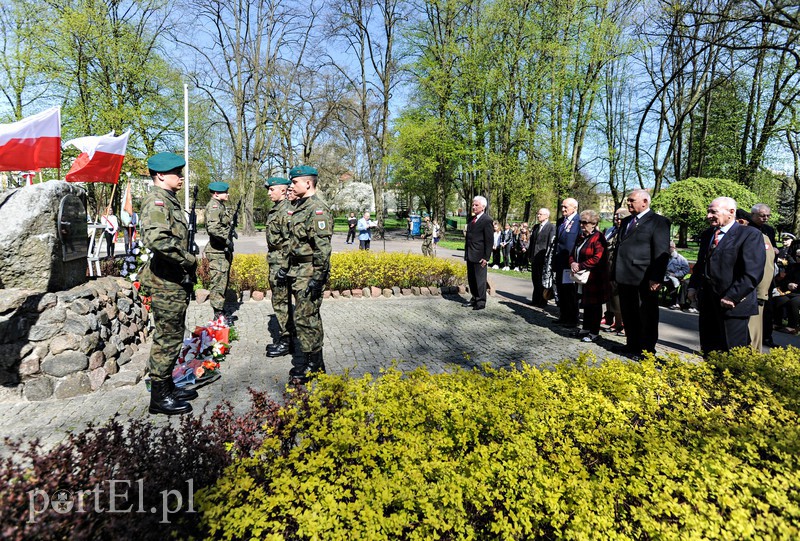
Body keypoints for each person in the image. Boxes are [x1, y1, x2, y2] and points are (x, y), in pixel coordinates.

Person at [139, 152, 198, 415]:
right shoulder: (157, 202)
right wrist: (188, 259)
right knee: (167, 338)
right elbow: (158, 241)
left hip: (173, 281)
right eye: (177, 172)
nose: (181, 177)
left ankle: (168, 385)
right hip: (166, 282)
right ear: (161, 175)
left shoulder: (169, 201)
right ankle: (159, 398)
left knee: (173, 335)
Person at [687, 197, 765, 356]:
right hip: (708, 302)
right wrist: (693, 286)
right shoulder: (708, 234)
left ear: (731, 212)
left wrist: (733, 296)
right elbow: (701, 264)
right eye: (708, 211)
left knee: (733, 352)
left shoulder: (750, 234)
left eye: (713, 212)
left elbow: (752, 272)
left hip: (733, 304)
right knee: (710, 349)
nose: (708, 215)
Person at [282, 165, 332, 382]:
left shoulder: (317, 209)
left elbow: (323, 248)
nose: (291, 186)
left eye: (294, 182)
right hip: (299, 270)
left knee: (305, 318)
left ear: (308, 183)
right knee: (306, 317)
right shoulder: (302, 206)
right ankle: (315, 361)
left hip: (309, 271)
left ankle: (313, 365)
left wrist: (318, 277)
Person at [612, 189, 670, 358]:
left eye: (632, 200)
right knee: (628, 313)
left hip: (644, 278)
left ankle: (647, 350)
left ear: (644, 202)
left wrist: (656, 277)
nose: (628, 203)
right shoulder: (627, 221)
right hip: (624, 276)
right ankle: (632, 345)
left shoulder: (658, 222)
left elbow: (661, 252)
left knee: (646, 315)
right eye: (628, 201)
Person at [568, 210, 611, 343]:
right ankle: (585, 328)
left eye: (585, 222)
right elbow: (572, 253)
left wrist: (580, 266)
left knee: (595, 305)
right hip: (582, 277)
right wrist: (573, 263)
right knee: (585, 303)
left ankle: (594, 332)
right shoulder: (581, 237)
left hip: (595, 277)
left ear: (594, 223)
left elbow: (597, 258)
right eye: (581, 222)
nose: (582, 225)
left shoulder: (598, 238)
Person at [736, 209, 775, 352]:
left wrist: (761, 292)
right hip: (738, 291)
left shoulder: (761, 236)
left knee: (752, 329)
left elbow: (766, 265)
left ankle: (749, 357)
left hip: (753, 291)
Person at [265, 176, 296, 358]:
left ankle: (286, 341)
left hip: (281, 261)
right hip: (276, 259)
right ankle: (289, 337)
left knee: (281, 302)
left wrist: (284, 266)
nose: (269, 193)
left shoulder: (285, 212)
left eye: (272, 189)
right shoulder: (277, 209)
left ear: (283, 190)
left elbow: (290, 242)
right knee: (280, 301)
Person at [204, 181, 235, 323]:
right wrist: (226, 239)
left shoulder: (220, 206)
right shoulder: (214, 206)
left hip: (222, 251)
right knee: (218, 283)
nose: (227, 194)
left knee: (223, 282)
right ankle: (218, 315)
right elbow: (213, 228)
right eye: (225, 192)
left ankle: (220, 311)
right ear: (216, 194)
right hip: (217, 251)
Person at [552, 198, 581, 327]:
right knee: (561, 290)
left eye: (566, 207)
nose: (563, 209)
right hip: (560, 261)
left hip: (570, 262)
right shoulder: (560, 222)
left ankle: (572, 318)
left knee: (570, 291)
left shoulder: (579, 222)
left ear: (574, 208)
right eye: (562, 207)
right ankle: (563, 315)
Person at [602, 209, 629, 334]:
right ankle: (615, 322)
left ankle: (621, 325)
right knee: (611, 296)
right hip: (608, 266)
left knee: (619, 298)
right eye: (616, 217)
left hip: (620, 269)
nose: (617, 220)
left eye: (620, 218)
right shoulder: (611, 230)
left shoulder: (627, 232)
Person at [465, 196, 494, 310]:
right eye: (473, 205)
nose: (473, 207)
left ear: (483, 207)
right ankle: (474, 298)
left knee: (480, 280)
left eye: (476, 205)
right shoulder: (471, 219)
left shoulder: (487, 220)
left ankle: (481, 301)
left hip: (480, 256)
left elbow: (489, 240)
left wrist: (486, 257)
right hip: (470, 254)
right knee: (471, 279)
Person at [529, 208, 555, 307]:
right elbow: (532, 243)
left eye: (540, 214)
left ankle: (542, 301)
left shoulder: (551, 227)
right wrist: (530, 255)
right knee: (535, 279)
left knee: (542, 280)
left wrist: (548, 258)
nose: (538, 216)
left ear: (547, 216)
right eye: (538, 214)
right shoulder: (536, 227)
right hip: (535, 257)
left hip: (543, 257)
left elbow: (550, 243)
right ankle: (535, 299)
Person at [664, 242, 690, 309]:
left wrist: (675, 274)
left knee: (670, 282)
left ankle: (675, 302)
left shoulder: (680, 259)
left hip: (674, 277)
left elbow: (686, 270)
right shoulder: (664, 257)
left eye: (670, 247)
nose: (668, 248)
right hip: (663, 276)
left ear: (674, 248)